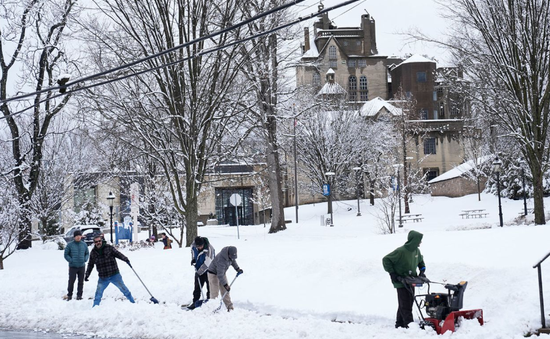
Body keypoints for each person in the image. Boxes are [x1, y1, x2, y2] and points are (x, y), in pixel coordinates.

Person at [382, 230, 426, 329]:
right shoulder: (401, 251)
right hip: (401, 281)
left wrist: (422, 271)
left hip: (411, 280)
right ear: (414, 240)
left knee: (407, 302)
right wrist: (392, 273)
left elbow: (420, 261)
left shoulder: (416, 251)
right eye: (419, 240)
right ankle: (409, 325)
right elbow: (386, 259)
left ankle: (399, 323)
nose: (421, 242)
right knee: (405, 304)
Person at [85, 234, 135, 307]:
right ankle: (95, 307)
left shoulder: (109, 248)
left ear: (101, 241)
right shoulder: (93, 252)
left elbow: (118, 254)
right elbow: (90, 265)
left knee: (124, 289)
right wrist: (87, 275)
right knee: (98, 293)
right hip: (103, 277)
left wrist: (126, 259)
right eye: (96, 242)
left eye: (99, 241)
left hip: (114, 274)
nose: (98, 243)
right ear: (94, 243)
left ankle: (133, 303)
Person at [207, 246, 243, 312]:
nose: (232, 258)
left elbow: (233, 261)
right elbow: (220, 275)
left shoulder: (230, 256)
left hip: (221, 273)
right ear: (228, 254)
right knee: (214, 292)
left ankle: (230, 307)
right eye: (231, 256)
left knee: (225, 291)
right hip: (213, 273)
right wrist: (225, 285)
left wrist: (237, 269)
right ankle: (213, 308)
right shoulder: (221, 259)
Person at [188, 236, 215, 310]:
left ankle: (209, 303)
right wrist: (193, 259)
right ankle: (195, 302)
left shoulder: (210, 249)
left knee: (209, 287)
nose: (199, 248)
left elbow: (208, 263)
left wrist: (199, 272)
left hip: (210, 270)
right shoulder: (194, 246)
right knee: (197, 287)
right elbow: (193, 252)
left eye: (201, 246)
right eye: (198, 246)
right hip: (198, 269)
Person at [63, 230, 89, 301]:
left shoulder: (84, 244)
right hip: (73, 267)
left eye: (79, 236)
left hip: (82, 266)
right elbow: (66, 255)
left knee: (81, 281)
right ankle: (69, 295)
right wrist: (71, 260)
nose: (78, 237)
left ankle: (79, 295)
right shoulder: (70, 245)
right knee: (71, 281)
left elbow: (87, 253)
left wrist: (85, 259)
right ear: (74, 237)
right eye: (77, 236)